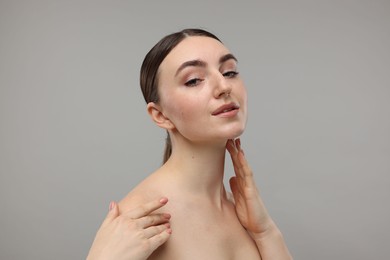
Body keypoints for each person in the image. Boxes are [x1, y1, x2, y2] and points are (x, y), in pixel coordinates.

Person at [87, 28, 292, 260]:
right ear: (160, 115)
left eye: (229, 72)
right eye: (194, 80)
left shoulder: (245, 212)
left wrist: (266, 232)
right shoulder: (139, 220)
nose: (224, 87)